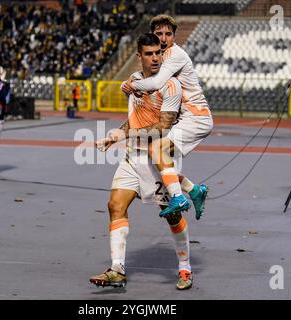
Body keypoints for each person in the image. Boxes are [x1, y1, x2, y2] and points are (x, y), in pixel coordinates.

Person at [90, 33, 194, 290]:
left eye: (159, 52)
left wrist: (122, 134)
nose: (156, 57)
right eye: (149, 53)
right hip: (130, 158)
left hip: (156, 162)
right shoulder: (134, 81)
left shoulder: (171, 86)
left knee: (172, 217)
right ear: (139, 56)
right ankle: (117, 269)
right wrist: (118, 132)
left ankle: (185, 268)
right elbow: (134, 118)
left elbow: (163, 126)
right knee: (115, 205)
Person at [122, 14, 213, 219]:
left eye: (168, 34)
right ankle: (194, 190)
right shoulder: (160, 56)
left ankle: (178, 198)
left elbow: (155, 84)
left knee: (156, 149)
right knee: (161, 163)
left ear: (174, 37)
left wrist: (129, 86)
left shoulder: (174, 55)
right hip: (186, 118)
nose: (163, 38)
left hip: (196, 118)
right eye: (159, 33)